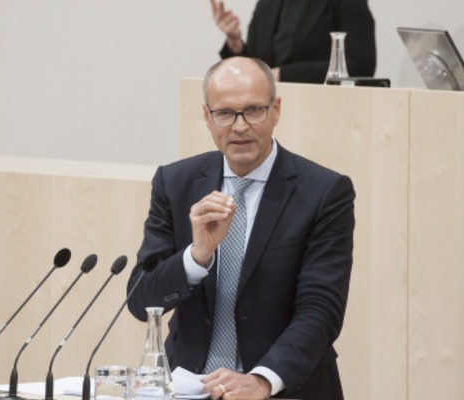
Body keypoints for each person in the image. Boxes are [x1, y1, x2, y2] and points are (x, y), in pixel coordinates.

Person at [127, 57, 355, 400]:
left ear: (276, 110)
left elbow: (320, 310)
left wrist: (262, 380)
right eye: (225, 113)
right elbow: (142, 300)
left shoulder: (323, 192)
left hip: (283, 388)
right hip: (192, 388)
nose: (240, 126)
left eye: (254, 111)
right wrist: (197, 255)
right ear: (207, 116)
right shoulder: (174, 183)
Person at [209, 0, 376, 83]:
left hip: (323, 111)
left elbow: (360, 65)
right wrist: (235, 43)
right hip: (266, 118)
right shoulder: (268, 3)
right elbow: (255, 69)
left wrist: (283, 74)